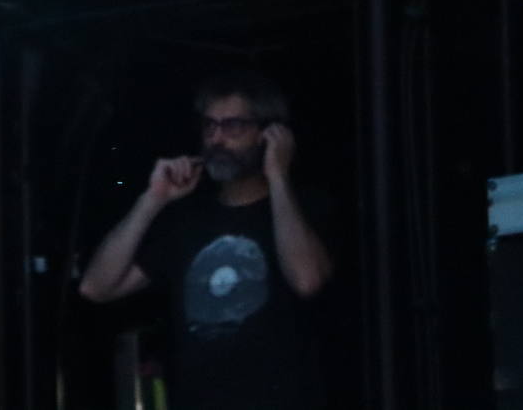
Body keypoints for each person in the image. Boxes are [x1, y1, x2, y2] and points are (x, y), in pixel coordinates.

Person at [79, 71, 333, 409]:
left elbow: (307, 280)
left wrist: (278, 175)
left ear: (268, 134)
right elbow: (96, 287)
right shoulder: (186, 221)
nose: (217, 139)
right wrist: (152, 200)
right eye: (210, 126)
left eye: (233, 127)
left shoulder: (303, 209)